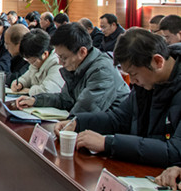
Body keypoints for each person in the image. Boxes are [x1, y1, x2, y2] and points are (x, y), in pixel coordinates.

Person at [54, 29, 181, 168]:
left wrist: (108, 143)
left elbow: (175, 151)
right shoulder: (146, 84)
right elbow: (119, 119)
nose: (132, 81)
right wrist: (78, 123)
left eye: (134, 74)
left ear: (157, 61)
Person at [16, 22, 129, 115]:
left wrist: (67, 125)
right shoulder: (77, 66)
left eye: (63, 57)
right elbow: (65, 99)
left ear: (82, 52)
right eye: (59, 57)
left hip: (111, 129)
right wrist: (36, 100)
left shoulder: (102, 70)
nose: (60, 62)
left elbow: (86, 110)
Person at [11, 28, 65, 96]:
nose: (31, 63)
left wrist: (29, 90)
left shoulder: (57, 66)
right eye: (27, 60)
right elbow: (26, 78)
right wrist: (20, 83)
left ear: (45, 54)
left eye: (33, 61)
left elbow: (47, 91)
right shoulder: (36, 64)